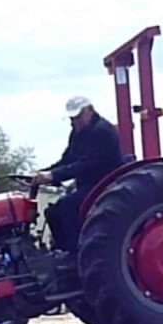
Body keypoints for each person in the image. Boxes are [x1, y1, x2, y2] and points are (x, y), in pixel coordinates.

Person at [33, 95, 124, 252]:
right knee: (52, 211)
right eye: (72, 118)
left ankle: (75, 253)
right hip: (88, 185)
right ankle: (59, 252)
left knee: (66, 207)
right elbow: (68, 159)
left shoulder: (102, 131)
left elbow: (88, 165)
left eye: (78, 116)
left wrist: (54, 175)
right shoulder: (77, 133)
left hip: (103, 184)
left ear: (89, 110)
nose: (74, 121)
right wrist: (45, 173)